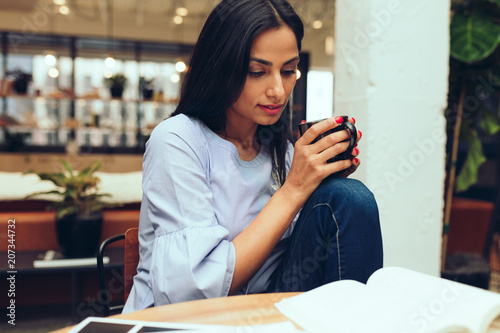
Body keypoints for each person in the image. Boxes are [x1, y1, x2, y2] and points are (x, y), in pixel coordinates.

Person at [123, 0, 382, 313]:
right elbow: (192, 291)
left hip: (261, 312)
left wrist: (322, 190)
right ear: (220, 67)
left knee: (348, 197)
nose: (278, 90)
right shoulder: (178, 140)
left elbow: (302, 252)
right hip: (189, 319)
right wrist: (294, 190)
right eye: (257, 72)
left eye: (289, 71)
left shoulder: (283, 151)